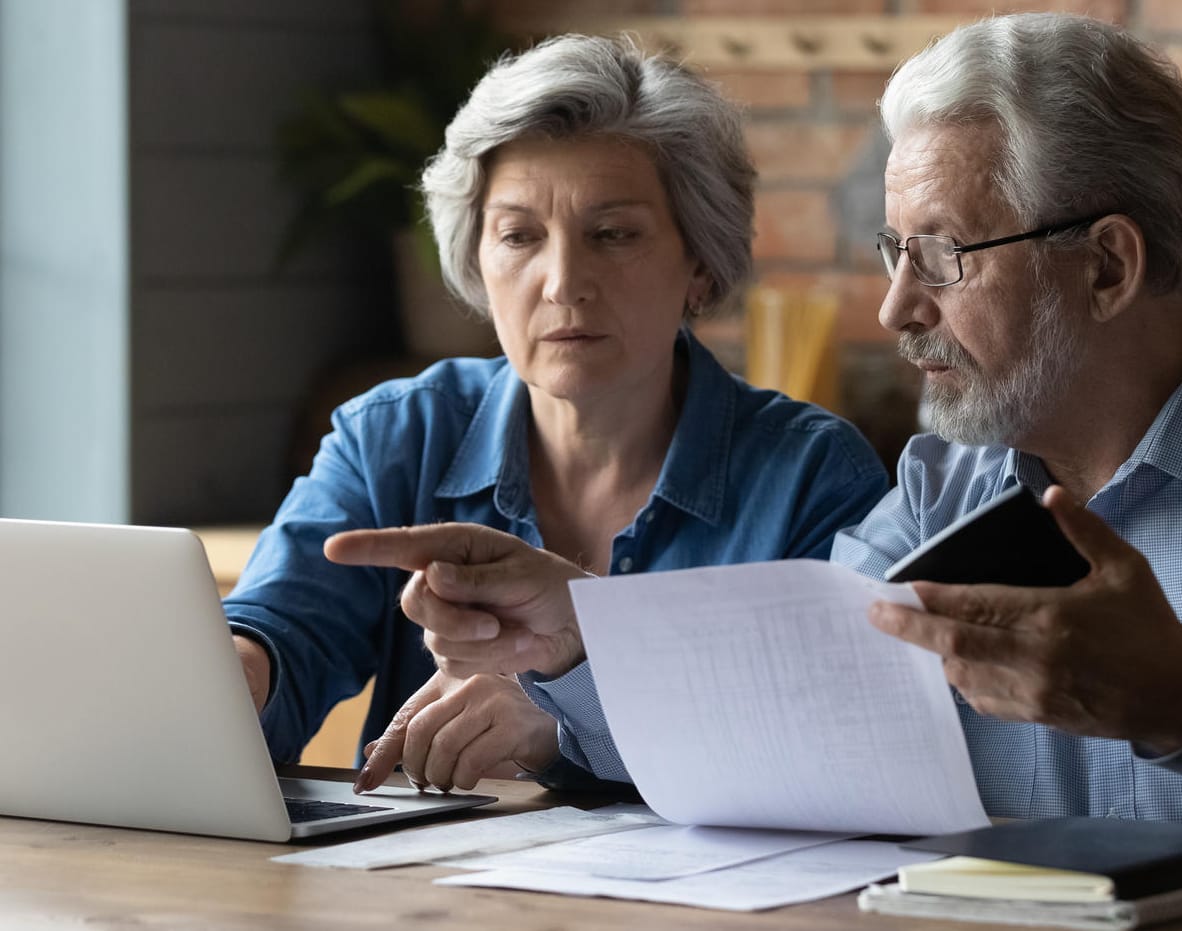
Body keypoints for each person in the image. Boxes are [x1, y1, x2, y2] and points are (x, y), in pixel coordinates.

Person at [396, 14, 1182, 857]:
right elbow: (775, 725)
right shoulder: (936, 490)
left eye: (939, 256)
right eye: (892, 252)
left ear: (1105, 267)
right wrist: (580, 641)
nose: (894, 307)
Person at [225, 34, 888, 794]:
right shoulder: (395, 436)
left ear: (700, 264)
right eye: (519, 236)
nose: (564, 282)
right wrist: (239, 676)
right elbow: (284, 629)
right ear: (477, 260)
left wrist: (566, 727)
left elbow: (834, 744)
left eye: (613, 234)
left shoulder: (813, 477)